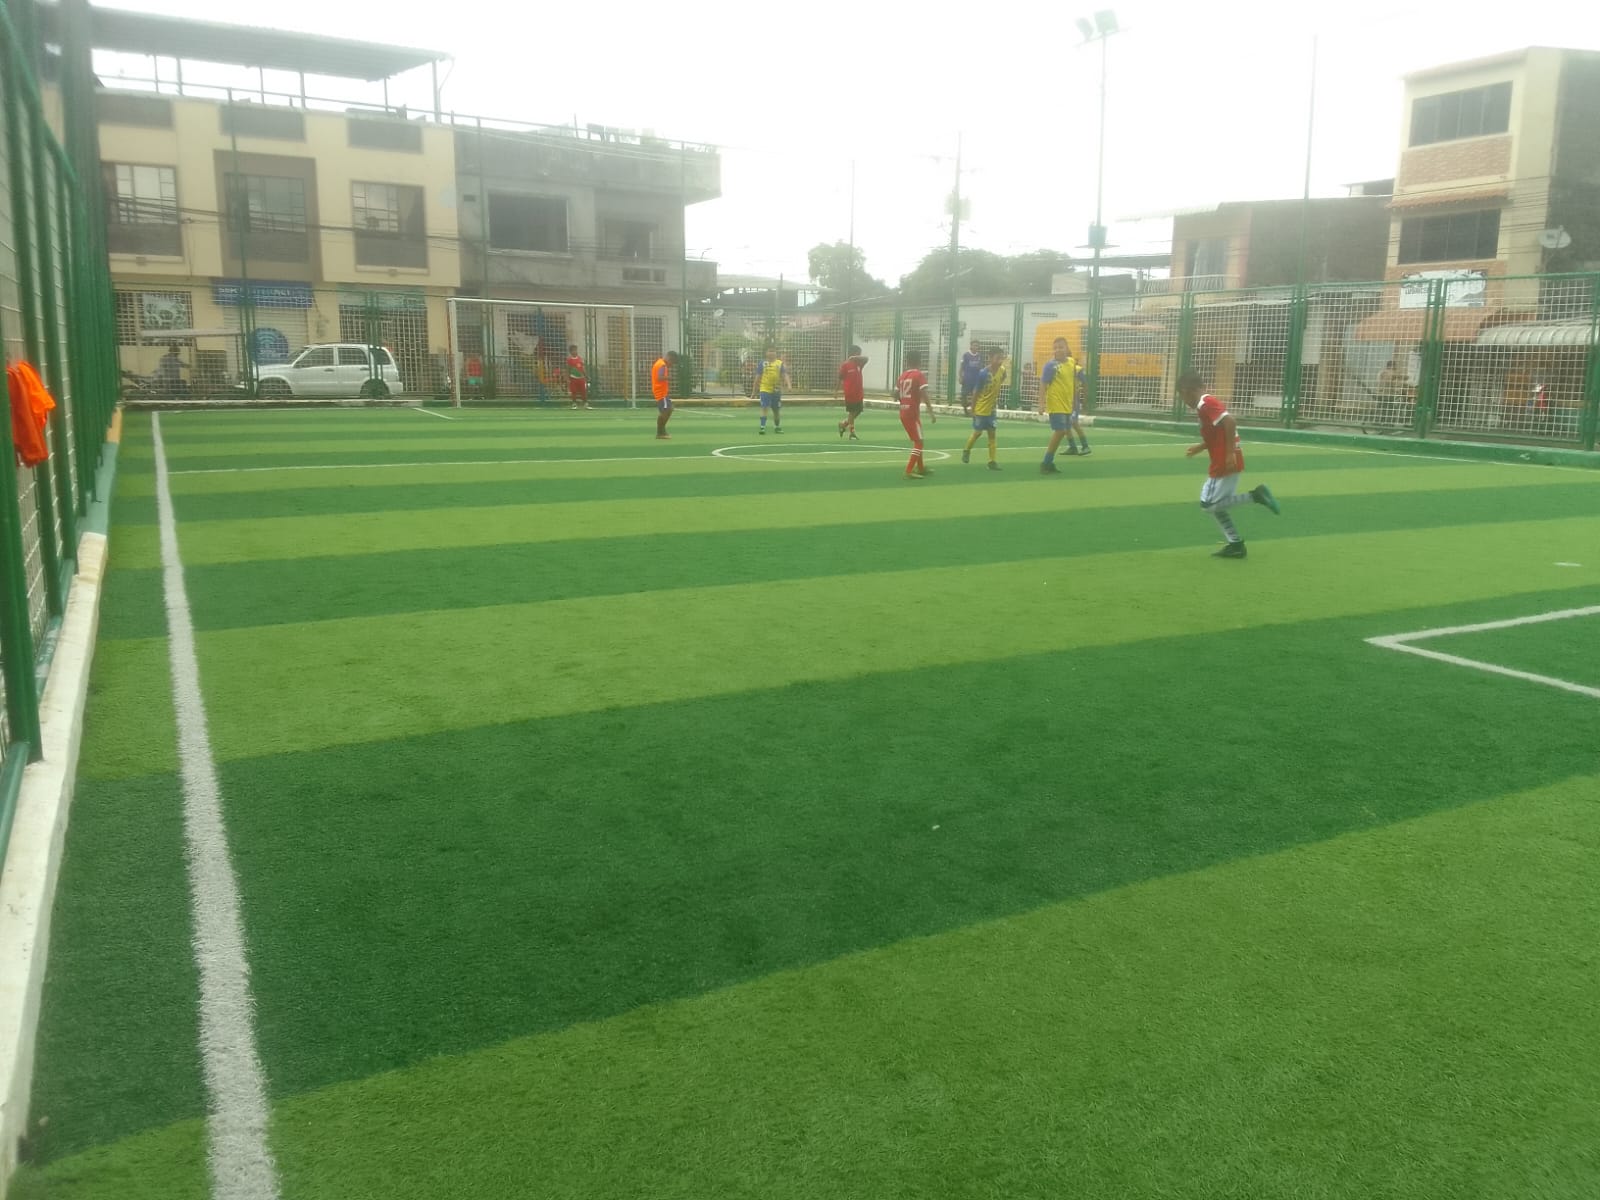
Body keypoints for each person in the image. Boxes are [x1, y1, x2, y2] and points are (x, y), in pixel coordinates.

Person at [1178, 369, 1280, 558]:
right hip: (1225, 458)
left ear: (1186, 391)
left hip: (1224, 461)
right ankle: (1236, 544)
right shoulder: (1204, 406)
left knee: (1208, 505)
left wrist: (1230, 454)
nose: (1184, 402)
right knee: (1217, 506)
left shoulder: (1206, 403)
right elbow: (1218, 432)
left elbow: (1230, 422)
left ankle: (1256, 496)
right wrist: (1201, 447)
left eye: (1182, 397)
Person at [1037, 337, 1087, 472]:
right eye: (1055, 348)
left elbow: (1072, 382)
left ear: (1067, 348)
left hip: (1068, 404)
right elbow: (1043, 384)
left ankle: (1049, 462)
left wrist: (1074, 400)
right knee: (1060, 431)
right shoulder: (1051, 366)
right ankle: (1046, 463)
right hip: (1055, 403)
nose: (1058, 350)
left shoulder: (1071, 362)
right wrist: (1041, 403)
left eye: (1061, 347)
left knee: (1063, 431)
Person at [962, 347, 1008, 471]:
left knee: (992, 434)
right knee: (977, 433)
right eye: (997, 358)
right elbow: (976, 392)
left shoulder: (1002, 370)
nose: (1000, 361)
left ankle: (992, 461)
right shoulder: (983, 373)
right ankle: (967, 450)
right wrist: (973, 408)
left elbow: (1003, 377)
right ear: (990, 358)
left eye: (1001, 358)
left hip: (992, 409)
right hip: (981, 409)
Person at [896, 349, 937, 478]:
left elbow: (895, 394)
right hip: (912, 413)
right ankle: (909, 471)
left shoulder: (902, 376)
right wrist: (931, 412)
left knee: (919, 439)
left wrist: (904, 401)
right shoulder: (918, 375)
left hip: (904, 411)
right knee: (919, 443)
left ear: (907, 361)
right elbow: (924, 394)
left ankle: (920, 468)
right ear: (920, 361)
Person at [835, 345, 869, 440]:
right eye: (858, 353)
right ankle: (852, 432)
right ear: (854, 353)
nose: (860, 355)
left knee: (858, 411)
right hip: (850, 392)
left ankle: (843, 424)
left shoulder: (859, 364)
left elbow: (867, 358)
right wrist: (836, 391)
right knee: (852, 412)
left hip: (859, 392)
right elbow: (840, 378)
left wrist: (854, 357)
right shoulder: (845, 365)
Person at [755, 345, 790, 434]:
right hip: (765, 388)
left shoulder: (779, 363)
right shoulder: (762, 363)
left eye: (773, 351)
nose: (771, 353)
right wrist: (754, 390)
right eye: (770, 351)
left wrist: (788, 385)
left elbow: (784, 374)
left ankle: (777, 427)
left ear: (776, 353)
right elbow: (758, 377)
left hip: (776, 390)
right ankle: (762, 427)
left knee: (776, 410)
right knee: (765, 407)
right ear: (766, 353)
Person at [652, 350, 678, 439]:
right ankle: (660, 432)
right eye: (672, 363)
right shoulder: (662, 365)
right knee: (666, 411)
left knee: (669, 409)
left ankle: (661, 431)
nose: (671, 365)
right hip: (661, 393)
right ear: (670, 358)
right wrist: (669, 377)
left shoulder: (659, 363)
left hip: (660, 392)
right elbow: (659, 377)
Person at [958, 338, 983, 416]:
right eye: (974, 345)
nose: (976, 347)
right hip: (967, 379)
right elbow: (961, 367)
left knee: (975, 395)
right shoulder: (966, 355)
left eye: (977, 346)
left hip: (976, 379)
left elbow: (980, 368)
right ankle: (965, 410)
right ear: (971, 346)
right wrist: (960, 377)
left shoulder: (979, 356)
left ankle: (973, 411)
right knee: (964, 395)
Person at [566, 344, 592, 409]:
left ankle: (585, 404)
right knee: (574, 391)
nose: (575, 351)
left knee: (583, 391)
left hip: (581, 378)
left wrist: (586, 376)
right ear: (570, 352)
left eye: (575, 350)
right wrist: (568, 378)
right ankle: (574, 404)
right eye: (573, 350)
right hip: (573, 378)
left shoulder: (580, 359)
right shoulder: (569, 360)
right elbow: (568, 369)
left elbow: (582, 368)